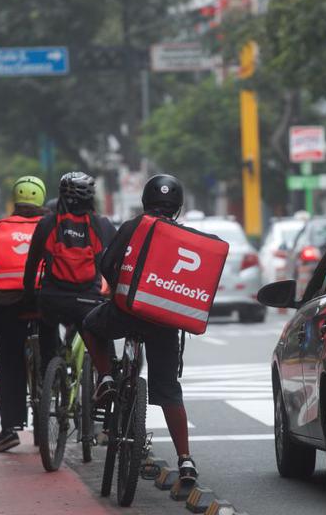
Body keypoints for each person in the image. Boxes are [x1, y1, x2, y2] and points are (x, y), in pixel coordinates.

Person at [82, 174, 198, 484]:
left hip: (127, 313)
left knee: (91, 324)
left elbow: (107, 264)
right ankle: (185, 460)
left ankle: (106, 377)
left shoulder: (133, 226)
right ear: (177, 207)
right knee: (169, 388)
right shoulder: (182, 235)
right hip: (163, 323)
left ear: (145, 200)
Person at [0, 175, 50, 453]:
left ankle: (9, 430)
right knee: (51, 354)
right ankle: (53, 388)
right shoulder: (50, 225)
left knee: (7, 366)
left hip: (9, 307)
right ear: (41, 198)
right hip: (45, 306)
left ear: (15, 200)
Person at [22, 170, 116, 390]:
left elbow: (32, 264)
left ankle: (50, 375)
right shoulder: (102, 225)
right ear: (90, 197)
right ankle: (107, 378)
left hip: (52, 298)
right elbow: (114, 264)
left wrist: (28, 295)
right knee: (99, 334)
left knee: (47, 329)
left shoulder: (47, 224)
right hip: (88, 300)